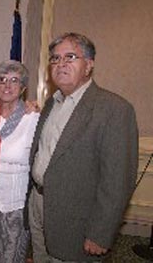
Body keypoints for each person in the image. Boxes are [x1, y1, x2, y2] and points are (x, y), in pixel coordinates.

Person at [29, 32, 138, 262]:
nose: (61, 64)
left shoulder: (114, 110)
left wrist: (101, 233)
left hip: (76, 220)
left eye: (70, 57)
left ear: (88, 65)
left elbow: (117, 181)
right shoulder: (51, 103)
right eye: (55, 59)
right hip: (38, 204)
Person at [0, 60, 39, 263]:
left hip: (15, 199)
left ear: (23, 88)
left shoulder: (33, 118)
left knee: (12, 254)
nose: (7, 85)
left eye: (14, 80)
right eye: (1, 80)